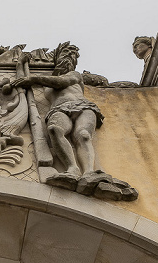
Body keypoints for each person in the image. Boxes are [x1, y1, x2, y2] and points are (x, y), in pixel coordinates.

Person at [11, 42, 103, 187]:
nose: (68, 59)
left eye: (72, 57)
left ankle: (89, 172)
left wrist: (34, 79)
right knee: (54, 129)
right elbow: (21, 82)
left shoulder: (74, 75)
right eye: (64, 56)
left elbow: (62, 82)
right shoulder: (45, 80)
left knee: (83, 135)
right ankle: (72, 168)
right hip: (58, 108)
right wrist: (21, 63)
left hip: (82, 106)